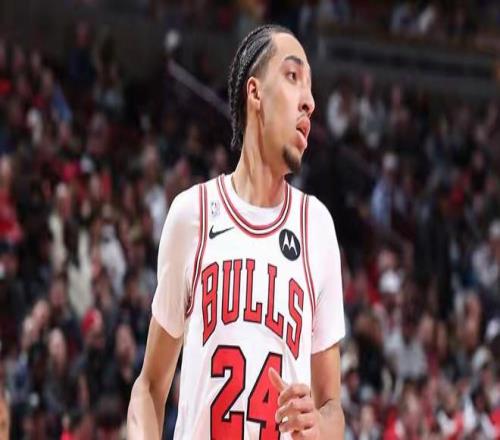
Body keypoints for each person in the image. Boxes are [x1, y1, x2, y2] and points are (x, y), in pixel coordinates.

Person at [127, 24, 345, 439]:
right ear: (255, 93)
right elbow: (149, 388)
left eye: (311, 88)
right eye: (293, 76)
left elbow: (332, 407)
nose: (310, 102)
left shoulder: (316, 227)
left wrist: (320, 427)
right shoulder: (193, 215)